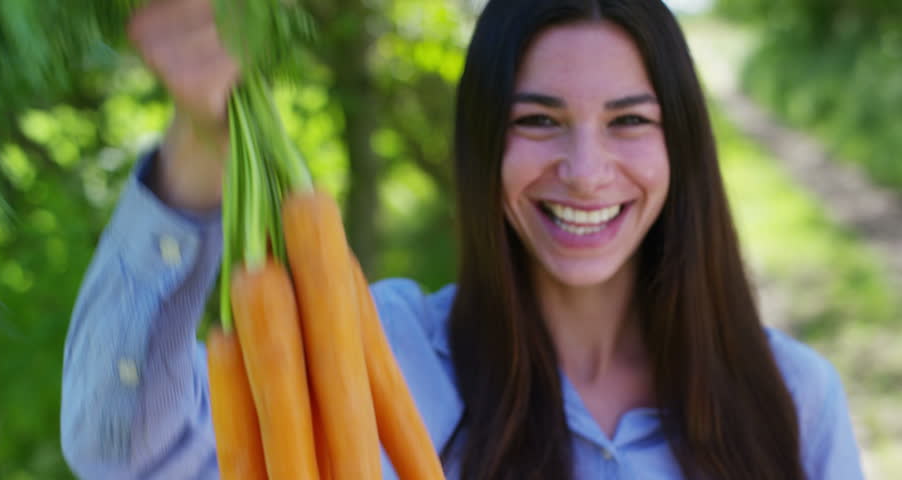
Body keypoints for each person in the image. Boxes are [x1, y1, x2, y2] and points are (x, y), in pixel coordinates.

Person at [60, 0, 865, 478]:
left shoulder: (796, 402)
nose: (585, 172)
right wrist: (202, 144)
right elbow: (117, 447)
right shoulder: (392, 353)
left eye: (629, 121)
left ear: (679, 146)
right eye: (538, 121)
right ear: (485, 146)